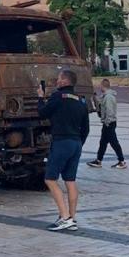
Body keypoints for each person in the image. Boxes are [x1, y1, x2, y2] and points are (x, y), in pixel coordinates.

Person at [36, 68, 90, 232]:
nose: (57, 81)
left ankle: (64, 216)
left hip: (61, 142)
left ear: (65, 81)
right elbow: (86, 128)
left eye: (59, 78)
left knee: (50, 179)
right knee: (70, 180)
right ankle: (72, 218)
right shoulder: (81, 100)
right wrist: (79, 143)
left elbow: (42, 113)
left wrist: (40, 97)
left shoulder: (58, 97)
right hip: (76, 143)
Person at [86, 78, 126, 169]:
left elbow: (110, 110)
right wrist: (95, 98)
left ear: (103, 86)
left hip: (109, 123)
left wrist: (107, 122)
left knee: (114, 143)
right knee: (103, 142)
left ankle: (122, 161)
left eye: (100, 85)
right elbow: (101, 104)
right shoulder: (106, 96)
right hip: (107, 123)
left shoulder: (108, 97)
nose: (99, 87)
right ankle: (98, 160)